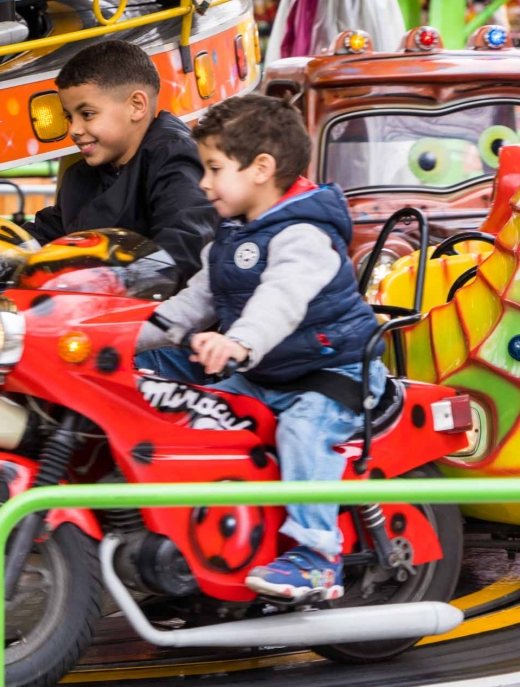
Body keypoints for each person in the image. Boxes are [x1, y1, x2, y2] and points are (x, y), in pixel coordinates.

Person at [137, 94, 388, 603]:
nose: (203, 183)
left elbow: (281, 301)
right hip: (267, 375)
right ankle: (214, 541)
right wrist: (121, 334)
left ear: (260, 169)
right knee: (198, 416)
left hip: (335, 372)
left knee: (303, 431)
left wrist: (237, 342)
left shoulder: (304, 235)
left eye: (214, 168)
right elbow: (193, 302)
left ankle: (317, 557)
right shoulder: (231, 237)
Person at [24, 39, 219, 382]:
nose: (74, 130)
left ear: (136, 105)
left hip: (172, 338)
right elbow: (49, 233)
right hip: (101, 324)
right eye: (69, 117)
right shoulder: (83, 177)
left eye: (87, 114)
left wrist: (102, 288)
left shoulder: (173, 157)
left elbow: (186, 243)